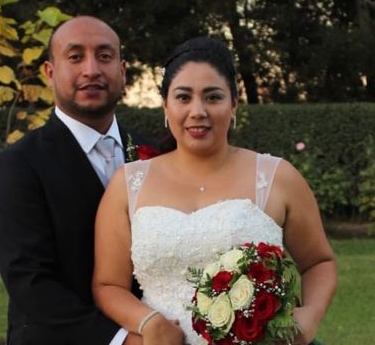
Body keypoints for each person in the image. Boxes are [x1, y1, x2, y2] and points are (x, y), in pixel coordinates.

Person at [92, 37, 337, 345]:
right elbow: (108, 284)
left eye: (212, 97)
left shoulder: (277, 177)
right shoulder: (128, 184)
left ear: (233, 103)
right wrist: (148, 322)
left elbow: (319, 262)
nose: (198, 111)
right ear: (166, 105)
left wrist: (310, 315)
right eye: (183, 97)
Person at [0, 16, 155, 345]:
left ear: (122, 70)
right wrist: (124, 340)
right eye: (75, 57)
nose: (91, 69)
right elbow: (30, 282)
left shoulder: (157, 155)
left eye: (104, 56)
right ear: (50, 73)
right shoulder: (18, 166)